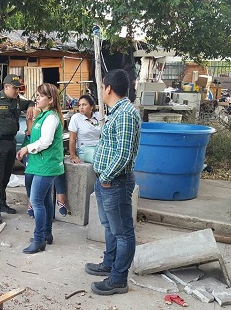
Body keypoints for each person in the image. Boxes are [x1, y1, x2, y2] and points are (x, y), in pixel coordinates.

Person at [86, 69, 141, 296]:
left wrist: (107, 178)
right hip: (106, 181)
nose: (101, 90)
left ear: (108, 88)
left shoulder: (126, 114)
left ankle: (118, 279)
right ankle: (109, 264)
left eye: (101, 87)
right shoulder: (116, 112)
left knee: (123, 232)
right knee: (110, 227)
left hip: (115, 182)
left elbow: (124, 154)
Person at [17, 83, 64, 254]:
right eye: (36, 95)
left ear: (50, 99)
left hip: (47, 165)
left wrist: (26, 149)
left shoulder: (51, 117)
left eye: (40, 96)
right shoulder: (43, 115)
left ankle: (39, 240)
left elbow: (45, 142)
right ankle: (47, 234)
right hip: (41, 163)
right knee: (44, 201)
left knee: (36, 201)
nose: (36, 98)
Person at [0, 74, 34, 224]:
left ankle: (2, 203)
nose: (17, 91)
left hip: (11, 143)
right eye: (14, 88)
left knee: (6, 176)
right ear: (6, 87)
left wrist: (32, 105)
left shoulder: (18, 101)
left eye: (18, 89)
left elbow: (30, 103)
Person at [68, 94, 101, 164]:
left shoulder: (98, 116)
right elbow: (72, 138)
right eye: (79, 105)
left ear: (91, 106)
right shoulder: (76, 118)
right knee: (100, 158)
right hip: (84, 149)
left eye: (84, 105)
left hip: (99, 147)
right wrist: (73, 156)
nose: (81, 107)